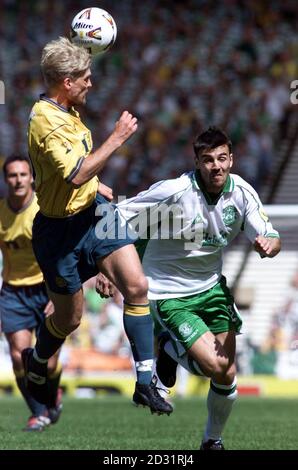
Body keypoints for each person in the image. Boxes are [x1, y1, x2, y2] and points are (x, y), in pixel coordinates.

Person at [24, 37, 172, 416]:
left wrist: (97, 187)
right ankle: (37, 361)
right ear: (67, 82)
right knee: (69, 319)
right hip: (58, 232)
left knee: (137, 286)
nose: (91, 83)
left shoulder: (67, 109)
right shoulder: (45, 120)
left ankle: (144, 383)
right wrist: (117, 138)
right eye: (85, 78)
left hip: (95, 213)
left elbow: (78, 178)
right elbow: (75, 174)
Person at [113, 126, 281, 449]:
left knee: (226, 374)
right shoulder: (175, 192)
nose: (216, 166)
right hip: (169, 293)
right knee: (215, 365)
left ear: (231, 159)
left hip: (212, 289)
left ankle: (211, 441)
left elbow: (272, 236)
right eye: (208, 160)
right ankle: (170, 349)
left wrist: (267, 245)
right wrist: (110, 265)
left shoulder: (242, 194)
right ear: (197, 162)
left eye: (221, 158)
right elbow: (120, 214)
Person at [0, 155, 63, 431]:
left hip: (46, 289)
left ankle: (53, 397)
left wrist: (57, 293)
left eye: (23, 175)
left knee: (48, 364)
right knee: (18, 356)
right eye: (12, 175)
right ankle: (38, 413)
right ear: (6, 180)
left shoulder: (43, 208)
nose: (18, 180)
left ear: (32, 178)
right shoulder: (0, 212)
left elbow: (61, 251)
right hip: (13, 292)